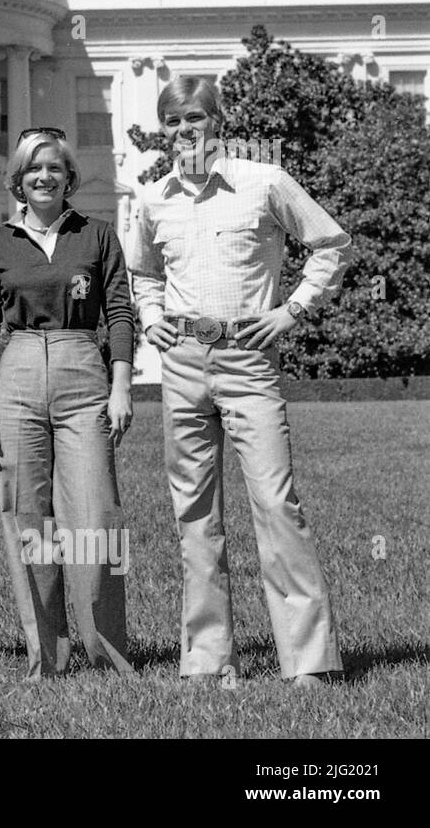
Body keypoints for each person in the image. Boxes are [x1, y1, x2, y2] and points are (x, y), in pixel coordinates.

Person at [128, 76, 350, 687]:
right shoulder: (153, 199)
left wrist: (292, 311)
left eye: (194, 119)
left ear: (218, 121)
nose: (183, 131)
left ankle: (308, 663)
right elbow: (141, 274)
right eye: (171, 121)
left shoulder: (264, 182)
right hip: (182, 365)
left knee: (277, 504)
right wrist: (151, 320)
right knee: (194, 512)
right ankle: (205, 660)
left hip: (249, 362)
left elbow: (330, 243)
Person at [0, 128, 135, 680]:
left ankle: (105, 651)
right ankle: (46, 652)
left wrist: (122, 386)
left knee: (96, 514)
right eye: (34, 169)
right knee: (27, 516)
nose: (44, 177)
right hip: (14, 374)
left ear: (69, 177)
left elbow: (121, 312)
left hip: (81, 364)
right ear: (18, 178)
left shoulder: (97, 235)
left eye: (55, 168)